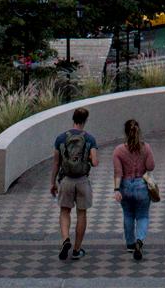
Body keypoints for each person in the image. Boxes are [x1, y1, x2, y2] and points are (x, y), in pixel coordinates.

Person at [50, 106, 99, 261]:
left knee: (65, 211)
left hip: (66, 180)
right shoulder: (90, 139)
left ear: (73, 119)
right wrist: (89, 159)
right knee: (81, 213)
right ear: (85, 121)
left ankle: (66, 239)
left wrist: (53, 183)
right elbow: (95, 162)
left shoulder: (60, 138)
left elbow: (56, 163)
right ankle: (77, 250)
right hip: (82, 180)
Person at [112, 118, 156, 261]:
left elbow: (118, 172)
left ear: (125, 132)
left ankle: (130, 243)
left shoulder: (118, 150)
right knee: (142, 215)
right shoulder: (146, 147)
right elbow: (150, 167)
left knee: (128, 215)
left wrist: (116, 189)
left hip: (125, 186)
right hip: (141, 186)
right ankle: (140, 240)